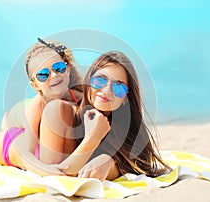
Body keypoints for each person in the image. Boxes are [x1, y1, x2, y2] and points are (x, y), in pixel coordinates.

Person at [0, 38, 83, 175]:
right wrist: (45, 170)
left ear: (67, 69)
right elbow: (26, 152)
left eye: (58, 68)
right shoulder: (38, 105)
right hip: (17, 139)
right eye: (43, 75)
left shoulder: (80, 97)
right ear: (34, 85)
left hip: (35, 131)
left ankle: (2, 126)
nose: (53, 75)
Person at [39, 51, 171, 180]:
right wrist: (93, 137)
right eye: (100, 80)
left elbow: (139, 166)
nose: (107, 90)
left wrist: (109, 164)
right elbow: (53, 177)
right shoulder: (57, 111)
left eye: (118, 86)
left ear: (126, 97)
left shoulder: (124, 131)